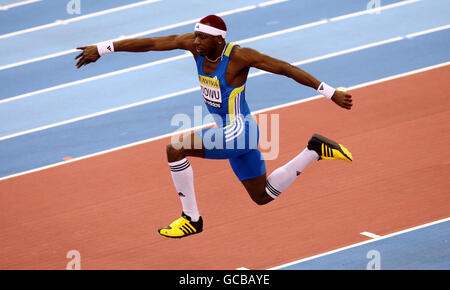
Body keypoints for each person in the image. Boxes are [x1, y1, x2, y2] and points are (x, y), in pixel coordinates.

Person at [75, 15, 353, 239]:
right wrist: (103, 48)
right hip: (235, 133)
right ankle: (314, 149)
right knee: (262, 195)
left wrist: (330, 92)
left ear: (219, 40)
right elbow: (151, 43)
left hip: (239, 131)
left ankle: (191, 219)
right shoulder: (194, 47)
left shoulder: (241, 57)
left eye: (202, 38)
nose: (196, 42)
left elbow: (285, 68)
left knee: (175, 149)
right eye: (195, 36)